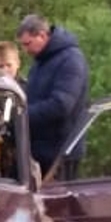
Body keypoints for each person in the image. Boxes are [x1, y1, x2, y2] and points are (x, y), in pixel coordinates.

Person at [16, 13, 89, 179]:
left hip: (60, 151)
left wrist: (21, 116)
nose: (25, 50)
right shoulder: (41, 61)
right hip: (40, 147)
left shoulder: (71, 60)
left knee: (59, 203)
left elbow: (61, 105)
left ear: (42, 35)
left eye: (28, 44)